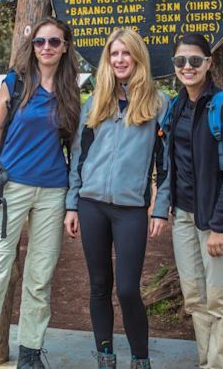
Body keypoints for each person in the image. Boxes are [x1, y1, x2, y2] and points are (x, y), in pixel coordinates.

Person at [0, 18, 81, 369]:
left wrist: (72, 201)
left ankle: (30, 353)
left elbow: (73, 149)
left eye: (54, 42)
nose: (46, 47)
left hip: (53, 192)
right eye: (40, 41)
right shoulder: (15, 82)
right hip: (11, 188)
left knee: (40, 278)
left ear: (65, 46)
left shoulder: (70, 89)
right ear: (33, 46)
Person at [65, 28, 170, 369]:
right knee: (98, 285)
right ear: (108, 60)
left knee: (127, 289)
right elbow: (79, 155)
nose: (120, 60)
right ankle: (105, 356)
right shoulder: (95, 102)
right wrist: (72, 203)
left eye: (126, 53)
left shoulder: (158, 102)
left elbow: (165, 161)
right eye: (114, 54)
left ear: (138, 57)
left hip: (131, 210)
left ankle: (140, 359)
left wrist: (161, 208)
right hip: (91, 204)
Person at [167, 34, 223, 369]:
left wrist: (218, 226)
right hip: (185, 217)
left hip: (218, 220)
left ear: (208, 63)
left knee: (221, 299)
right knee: (195, 299)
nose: (188, 67)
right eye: (180, 61)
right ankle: (207, 361)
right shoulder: (177, 106)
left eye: (195, 60)